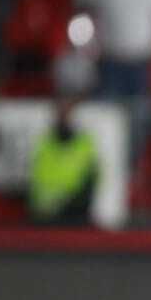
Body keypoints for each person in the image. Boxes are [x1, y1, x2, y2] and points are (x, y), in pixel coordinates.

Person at [29, 97, 100, 226]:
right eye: (61, 113)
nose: (64, 117)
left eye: (67, 113)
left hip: (74, 210)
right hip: (45, 210)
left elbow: (92, 178)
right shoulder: (44, 142)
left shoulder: (84, 143)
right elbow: (36, 179)